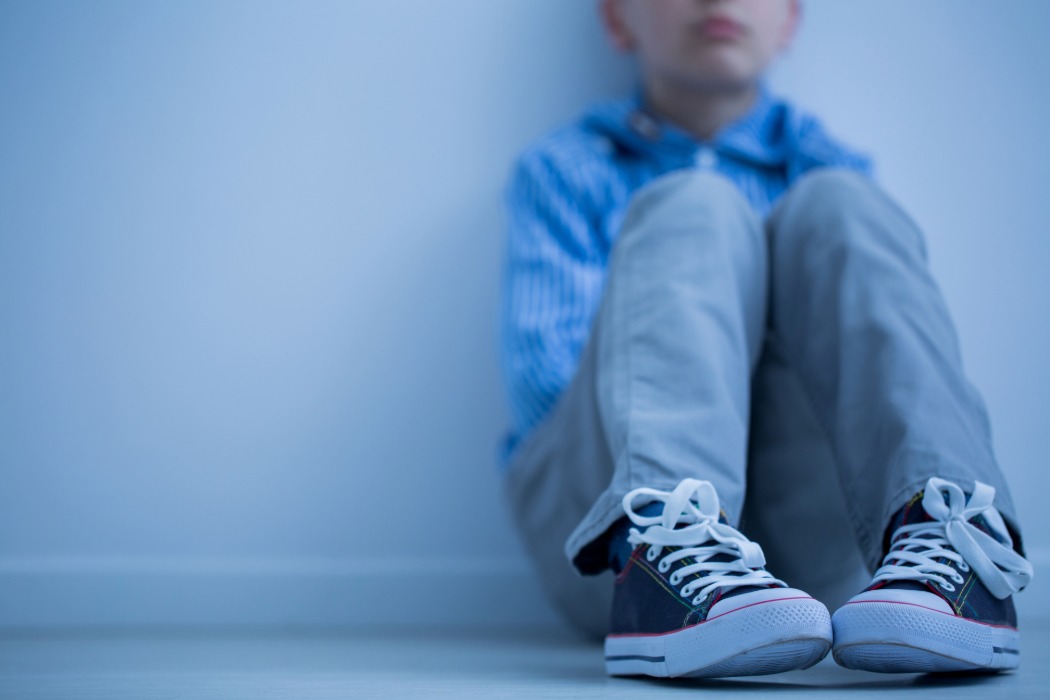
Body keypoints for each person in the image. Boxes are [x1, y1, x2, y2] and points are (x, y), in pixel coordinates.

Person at [496, 0, 1034, 679]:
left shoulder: (829, 167)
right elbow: (546, 389)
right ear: (617, 18)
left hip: (804, 525)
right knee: (694, 204)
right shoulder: (567, 168)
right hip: (601, 525)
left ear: (790, 20)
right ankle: (667, 547)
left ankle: (950, 540)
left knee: (842, 204)